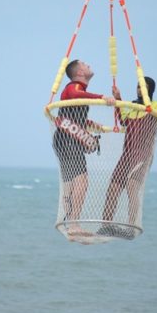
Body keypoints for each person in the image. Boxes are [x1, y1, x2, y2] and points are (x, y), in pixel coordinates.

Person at [100, 76, 157, 239]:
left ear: (151, 89)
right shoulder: (131, 106)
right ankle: (106, 225)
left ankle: (131, 227)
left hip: (143, 155)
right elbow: (123, 120)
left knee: (131, 186)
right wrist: (118, 99)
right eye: (138, 86)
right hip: (127, 155)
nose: (139, 89)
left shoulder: (156, 107)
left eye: (143, 86)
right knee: (113, 189)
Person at [52, 59, 116, 238]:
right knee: (81, 181)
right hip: (67, 140)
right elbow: (73, 93)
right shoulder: (74, 86)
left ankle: (70, 224)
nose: (89, 65)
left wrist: (91, 124)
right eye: (86, 65)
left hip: (64, 139)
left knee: (71, 183)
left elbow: (73, 117)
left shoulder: (79, 92)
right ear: (79, 72)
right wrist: (103, 98)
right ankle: (74, 224)